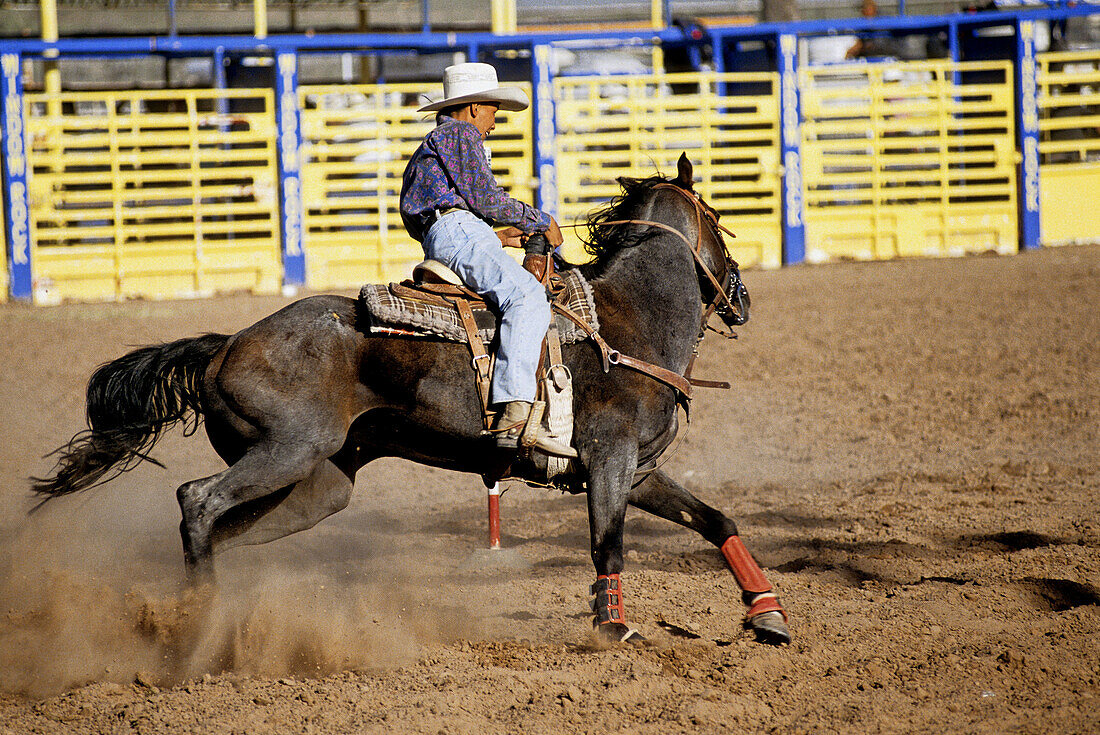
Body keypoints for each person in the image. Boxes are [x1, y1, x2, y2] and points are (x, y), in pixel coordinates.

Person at [400, 62, 576, 459]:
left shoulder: (437, 141)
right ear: (475, 108)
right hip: (458, 230)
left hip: (449, 233)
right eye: (494, 111)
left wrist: (493, 237)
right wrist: (539, 220)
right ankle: (515, 415)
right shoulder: (460, 133)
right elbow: (486, 199)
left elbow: (442, 212)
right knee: (528, 298)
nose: (494, 123)